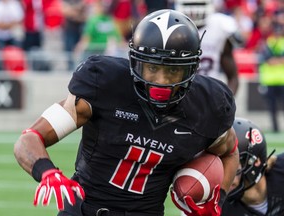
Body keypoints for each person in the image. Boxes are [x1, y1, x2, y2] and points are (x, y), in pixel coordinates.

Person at [13, 9, 239, 216]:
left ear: (191, 69)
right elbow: (29, 138)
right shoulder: (105, 85)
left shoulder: (207, 106)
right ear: (135, 62)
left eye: (172, 70)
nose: (160, 81)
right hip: (84, 210)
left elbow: (230, 152)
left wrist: (219, 200)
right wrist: (46, 172)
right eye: (152, 68)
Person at [175, 0, 240, 95]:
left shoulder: (220, 26)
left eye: (198, 4)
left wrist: (226, 102)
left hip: (210, 94)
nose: (194, 10)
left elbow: (232, 77)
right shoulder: (172, 27)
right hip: (179, 95)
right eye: (190, 4)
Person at [221, 117, 284, 215]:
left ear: (255, 162)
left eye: (229, 164)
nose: (221, 176)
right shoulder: (221, 207)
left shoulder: (280, 173)